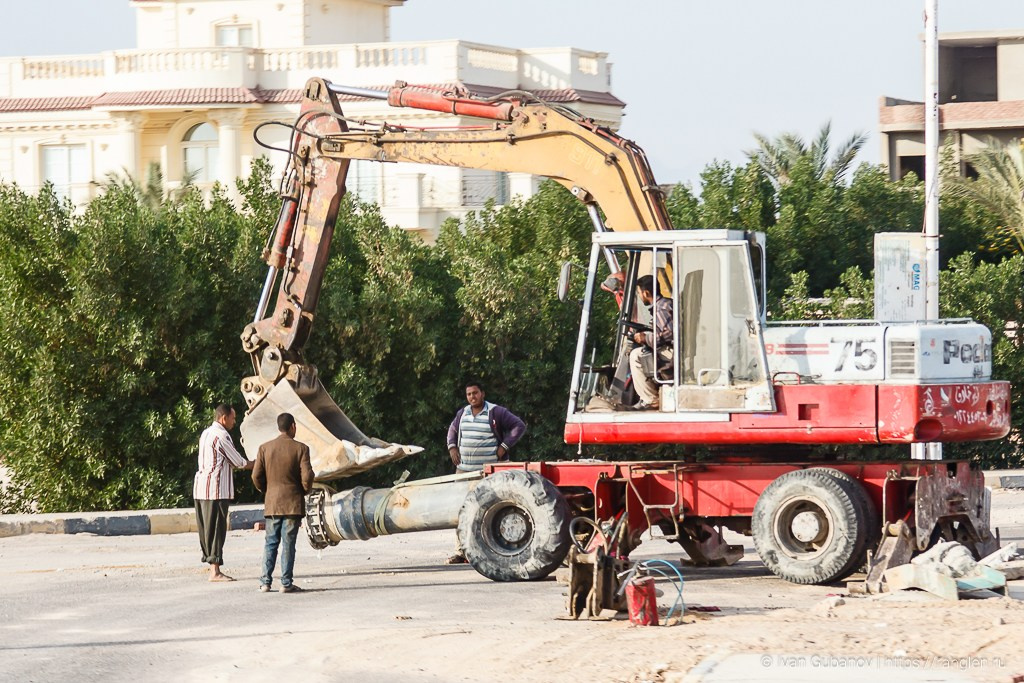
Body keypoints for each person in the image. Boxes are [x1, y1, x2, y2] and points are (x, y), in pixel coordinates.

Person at [444, 381, 526, 564]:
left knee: (488, 511)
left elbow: (518, 426)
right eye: (469, 394)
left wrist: (504, 447)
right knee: (459, 510)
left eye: (475, 393)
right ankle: (461, 552)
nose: (472, 397)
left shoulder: (495, 412)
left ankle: (490, 551)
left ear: (483, 393)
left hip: (488, 472)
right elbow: (452, 430)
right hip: (464, 470)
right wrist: (452, 447)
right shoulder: (462, 413)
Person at [252, 412, 314, 593]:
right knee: (288, 543)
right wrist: (303, 490)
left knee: (271, 542)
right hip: (293, 503)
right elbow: (307, 475)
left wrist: (266, 489)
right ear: (293, 426)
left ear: (279, 427)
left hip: (273, 502)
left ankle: (265, 582)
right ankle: (286, 583)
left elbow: (255, 475)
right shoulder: (301, 449)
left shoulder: (265, 448)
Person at [194, 403, 253, 582]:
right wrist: (259, 462)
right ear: (224, 418)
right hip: (216, 490)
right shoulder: (221, 436)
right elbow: (238, 462)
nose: (235, 422)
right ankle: (215, 571)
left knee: (207, 530)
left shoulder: (206, 433)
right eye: (233, 418)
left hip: (202, 489)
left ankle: (212, 566)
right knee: (217, 529)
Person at [628, 274, 674, 410]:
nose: (640, 296)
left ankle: (651, 399)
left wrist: (645, 338)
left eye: (639, 293)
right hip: (673, 349)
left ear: (646, 293)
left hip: (673, 353)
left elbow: (670, 333)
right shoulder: (667, 303)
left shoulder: (660, 308)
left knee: (636, 355)